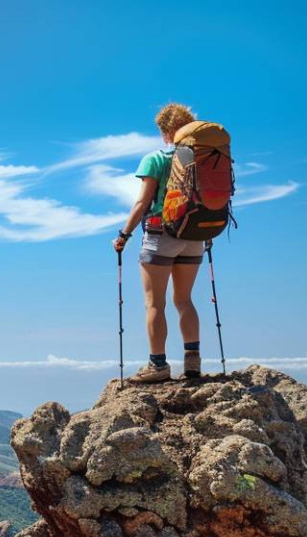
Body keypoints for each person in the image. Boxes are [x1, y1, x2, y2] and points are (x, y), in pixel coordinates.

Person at [113, 102, 203, 384]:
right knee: (184, 299)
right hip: (194, 237)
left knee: (155, 304)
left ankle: (158, 365)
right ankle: (192, 361)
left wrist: (123, 236)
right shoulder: (198, 159)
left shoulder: (155, 159)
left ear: (165, 131)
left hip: (160, 234)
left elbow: (142, 202)